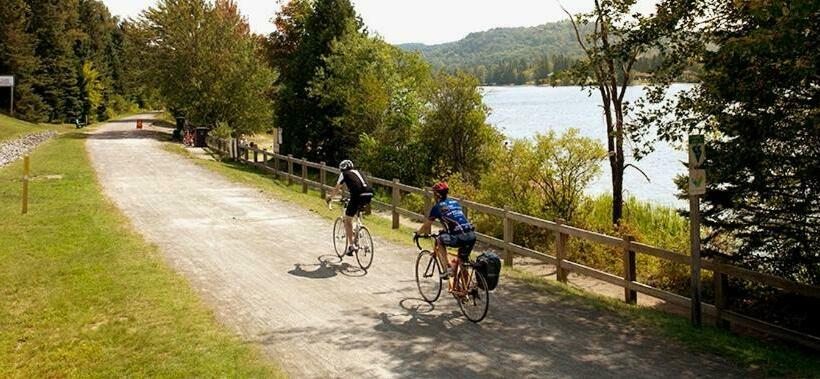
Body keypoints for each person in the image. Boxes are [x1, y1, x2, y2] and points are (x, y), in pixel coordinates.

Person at [416, 181, 476, 279]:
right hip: (471, 236)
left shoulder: (437, 207)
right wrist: (446, 231)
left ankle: (447, 269)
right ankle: (467, 289)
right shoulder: (455, 203)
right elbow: (453, 220)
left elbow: (426, 225)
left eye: (434, 194)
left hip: (458, 237)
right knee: (462, 261)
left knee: (439, 240)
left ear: (437, 195)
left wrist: (417, 234)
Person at [327, 160, 373, 256]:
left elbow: (336, 189)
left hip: (357, 195)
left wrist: (329, 197)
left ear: (341, 168)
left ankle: (351, 246)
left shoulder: (344, 174)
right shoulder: (359, 172)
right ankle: (358, 229)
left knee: (348, 220)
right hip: (368, 194)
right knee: (356, 213)